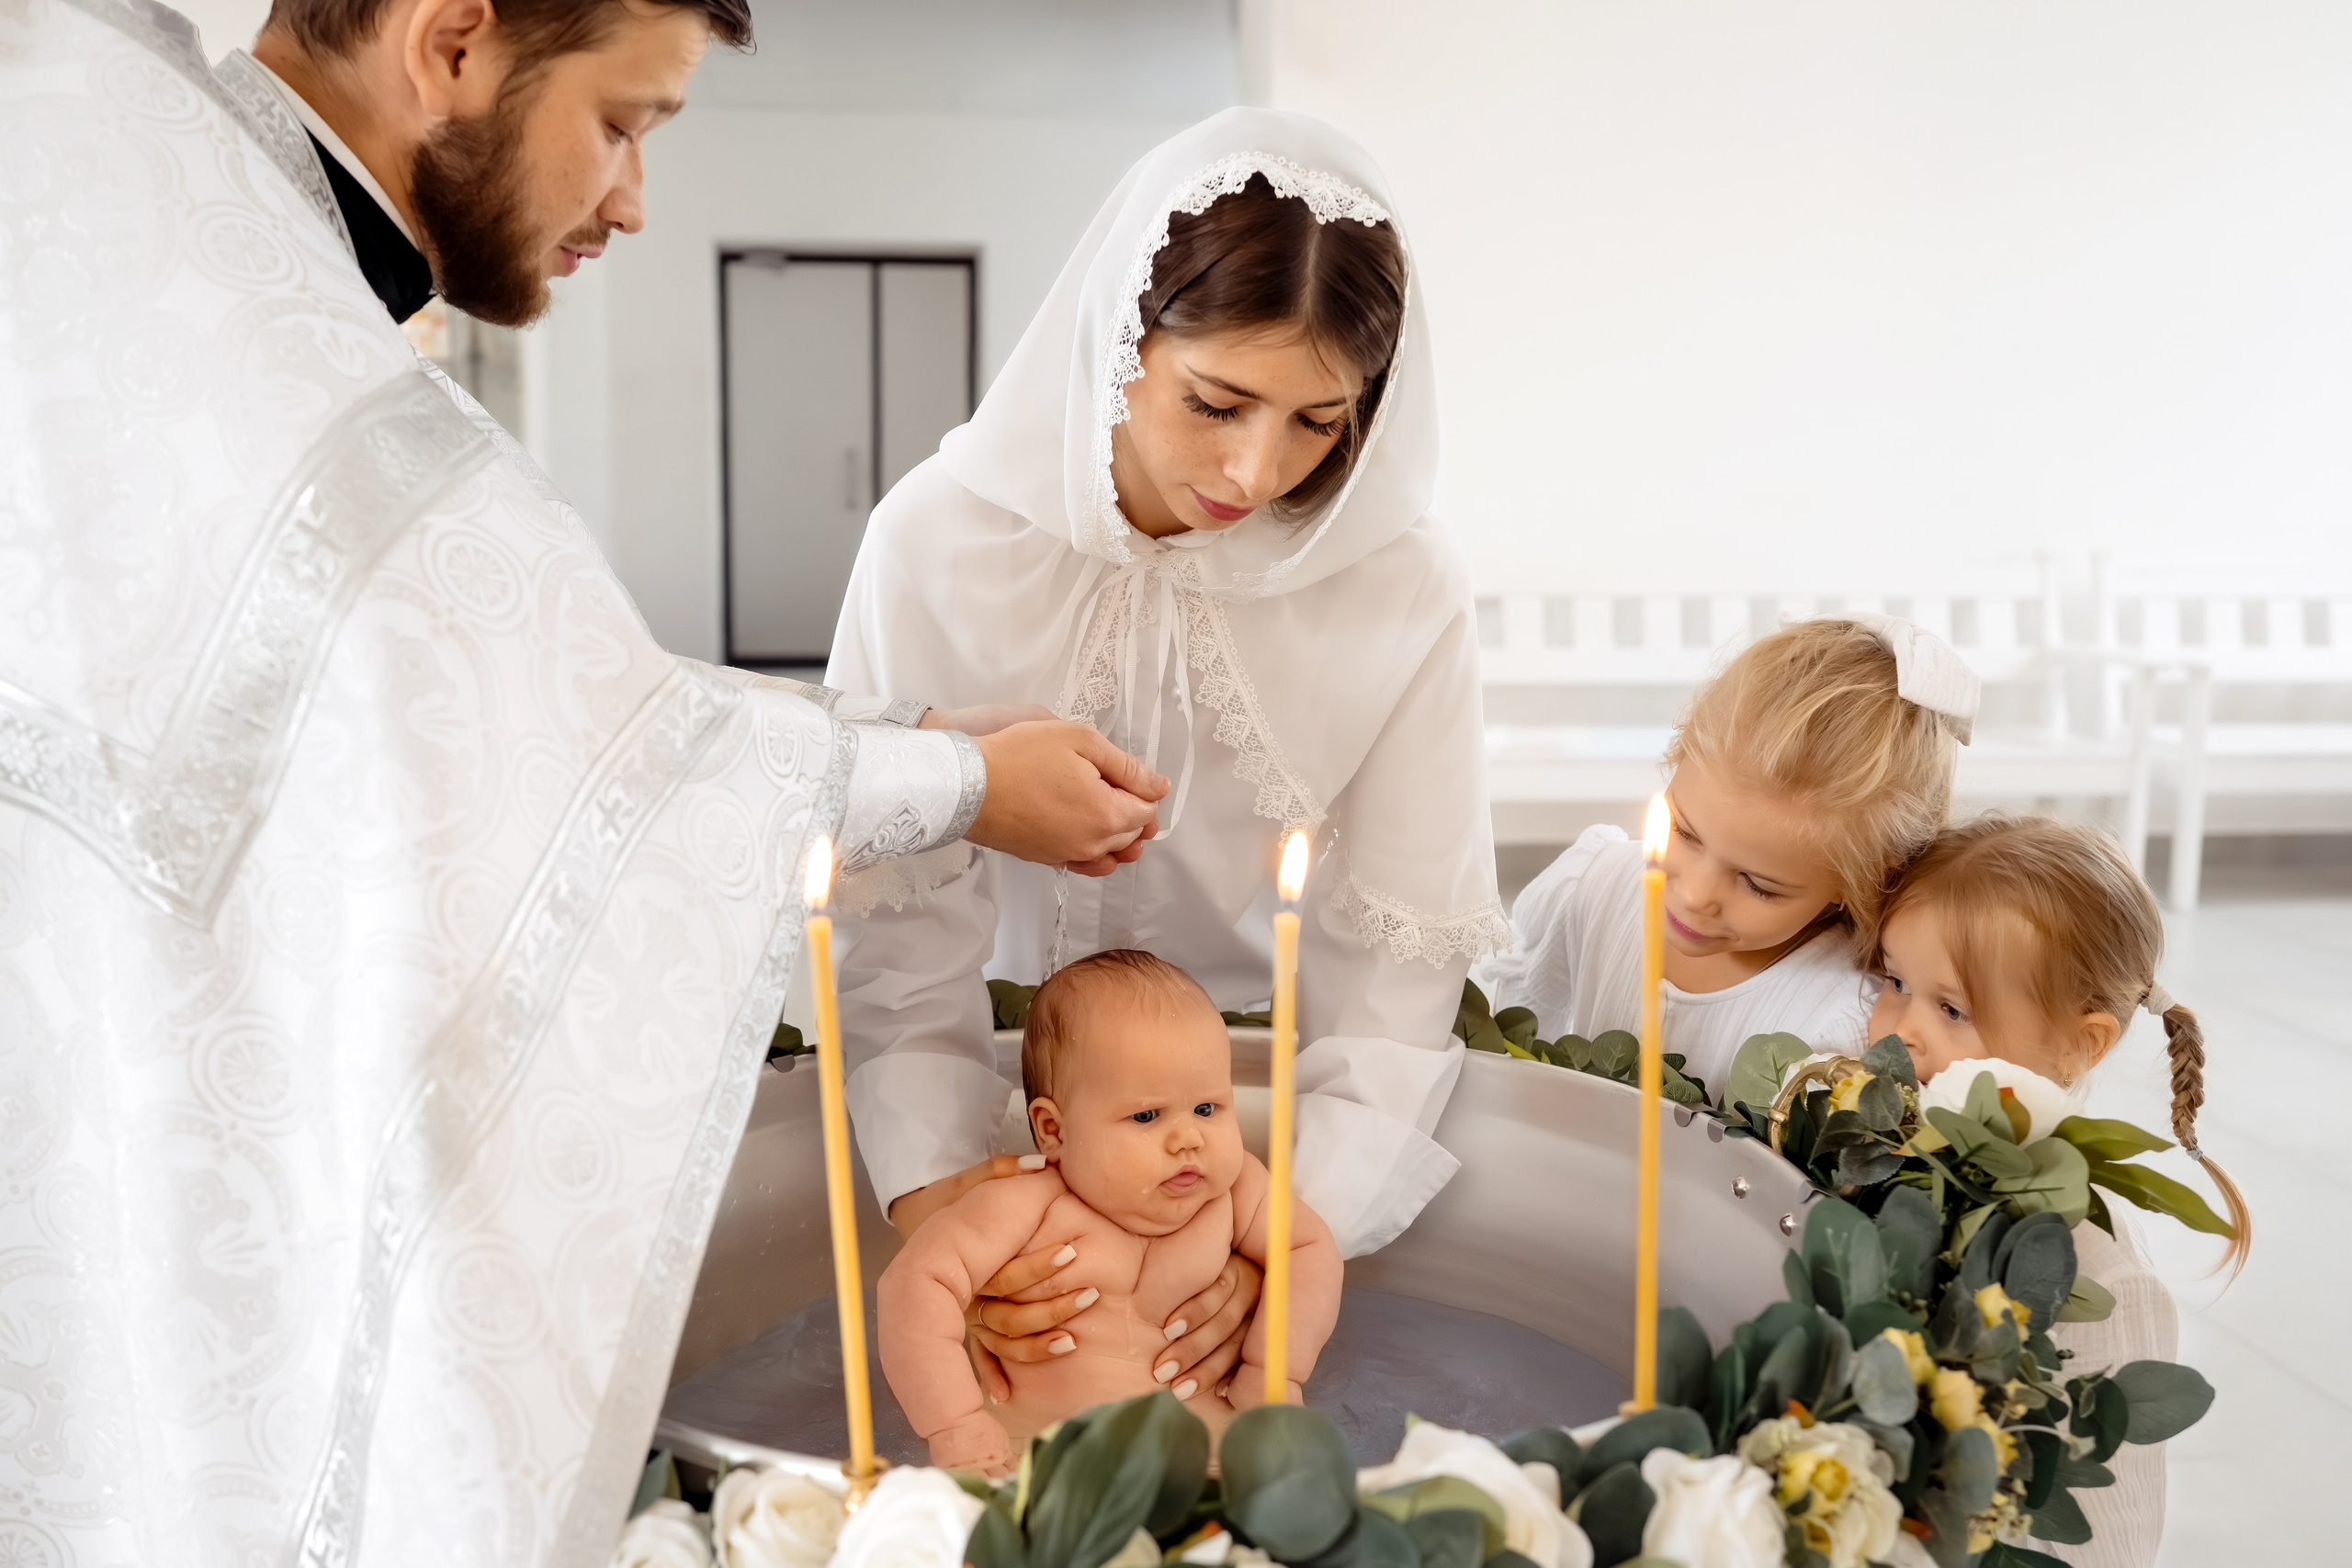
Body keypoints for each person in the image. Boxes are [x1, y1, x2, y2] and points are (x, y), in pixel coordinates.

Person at [0, 2, 1167, 1562]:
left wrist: (931, 748)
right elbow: (589, 764)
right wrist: (963, 781)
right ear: (452, 41)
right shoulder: (257, 340)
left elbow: (543, 708)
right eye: (623, 124)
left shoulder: (172, 222)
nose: (632, 200)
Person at [828, 109, 1506, 1396]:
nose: (1256, 468)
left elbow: (1396, 955)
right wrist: (943, 1200)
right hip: (986, 1088)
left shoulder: (1401, 588)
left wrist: (1289, 1235)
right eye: (1216, 402)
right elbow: (894, 921)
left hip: (1248, 1125)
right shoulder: (934, 540)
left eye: (1318, 423)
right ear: (1117, 338)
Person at [1868, 813, 2251, 1568]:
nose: (1901, 1030)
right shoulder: (1877, 1149)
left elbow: (2110, 1543)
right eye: (1895, 981)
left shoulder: (2096, 1271)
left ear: (2081, 1042)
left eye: (1952, 1009)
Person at [876, 951, 1340, 1475]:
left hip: (1212, 1468)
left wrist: (1273, 1369)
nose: (1189, 1138)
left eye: (1207, 1108)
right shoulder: (1024, 1206)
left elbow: (1310, 1247)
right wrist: (954, 1423)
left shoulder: (1236, 1195)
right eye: (1146, 1115)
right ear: (1053, 1130)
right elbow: (916, 1283)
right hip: (1039, 1466)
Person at [1475, 615, 1974, 1091]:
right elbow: (1506, 1054)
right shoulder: (1590, 889)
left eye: (1758, 885)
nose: (1694, 895)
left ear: (1863, 882)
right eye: (1684, 832)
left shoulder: (1838, 1023)